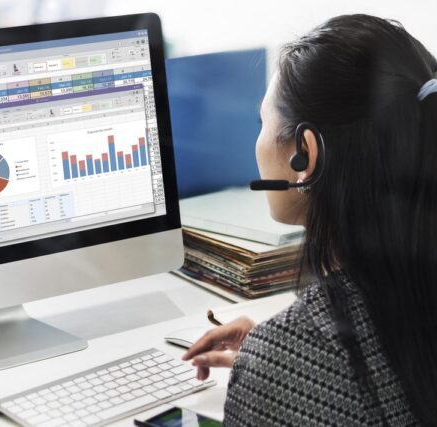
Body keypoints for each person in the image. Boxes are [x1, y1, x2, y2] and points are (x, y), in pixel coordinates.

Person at [183, 14, 437, 426]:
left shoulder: (280, 363)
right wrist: (292, 346)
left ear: (305, 154)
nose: (258, 140)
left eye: (262, 123)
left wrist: (283, 358)